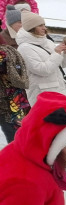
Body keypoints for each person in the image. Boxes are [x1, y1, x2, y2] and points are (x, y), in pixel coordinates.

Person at [16, 12, 66, 107]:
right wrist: (57, 53)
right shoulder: (24, 48)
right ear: (32, 28)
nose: (44, 28)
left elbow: (62, 65)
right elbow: (42, 70)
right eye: (40, 25)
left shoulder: (47, 42)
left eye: (44, 25)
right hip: (43, 94)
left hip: (59, 90)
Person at [0, 8, 28, 143]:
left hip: (12, 97)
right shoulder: (5, 41)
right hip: (9, 97)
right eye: (18, 22)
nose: (22, 25)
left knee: (17, 133)